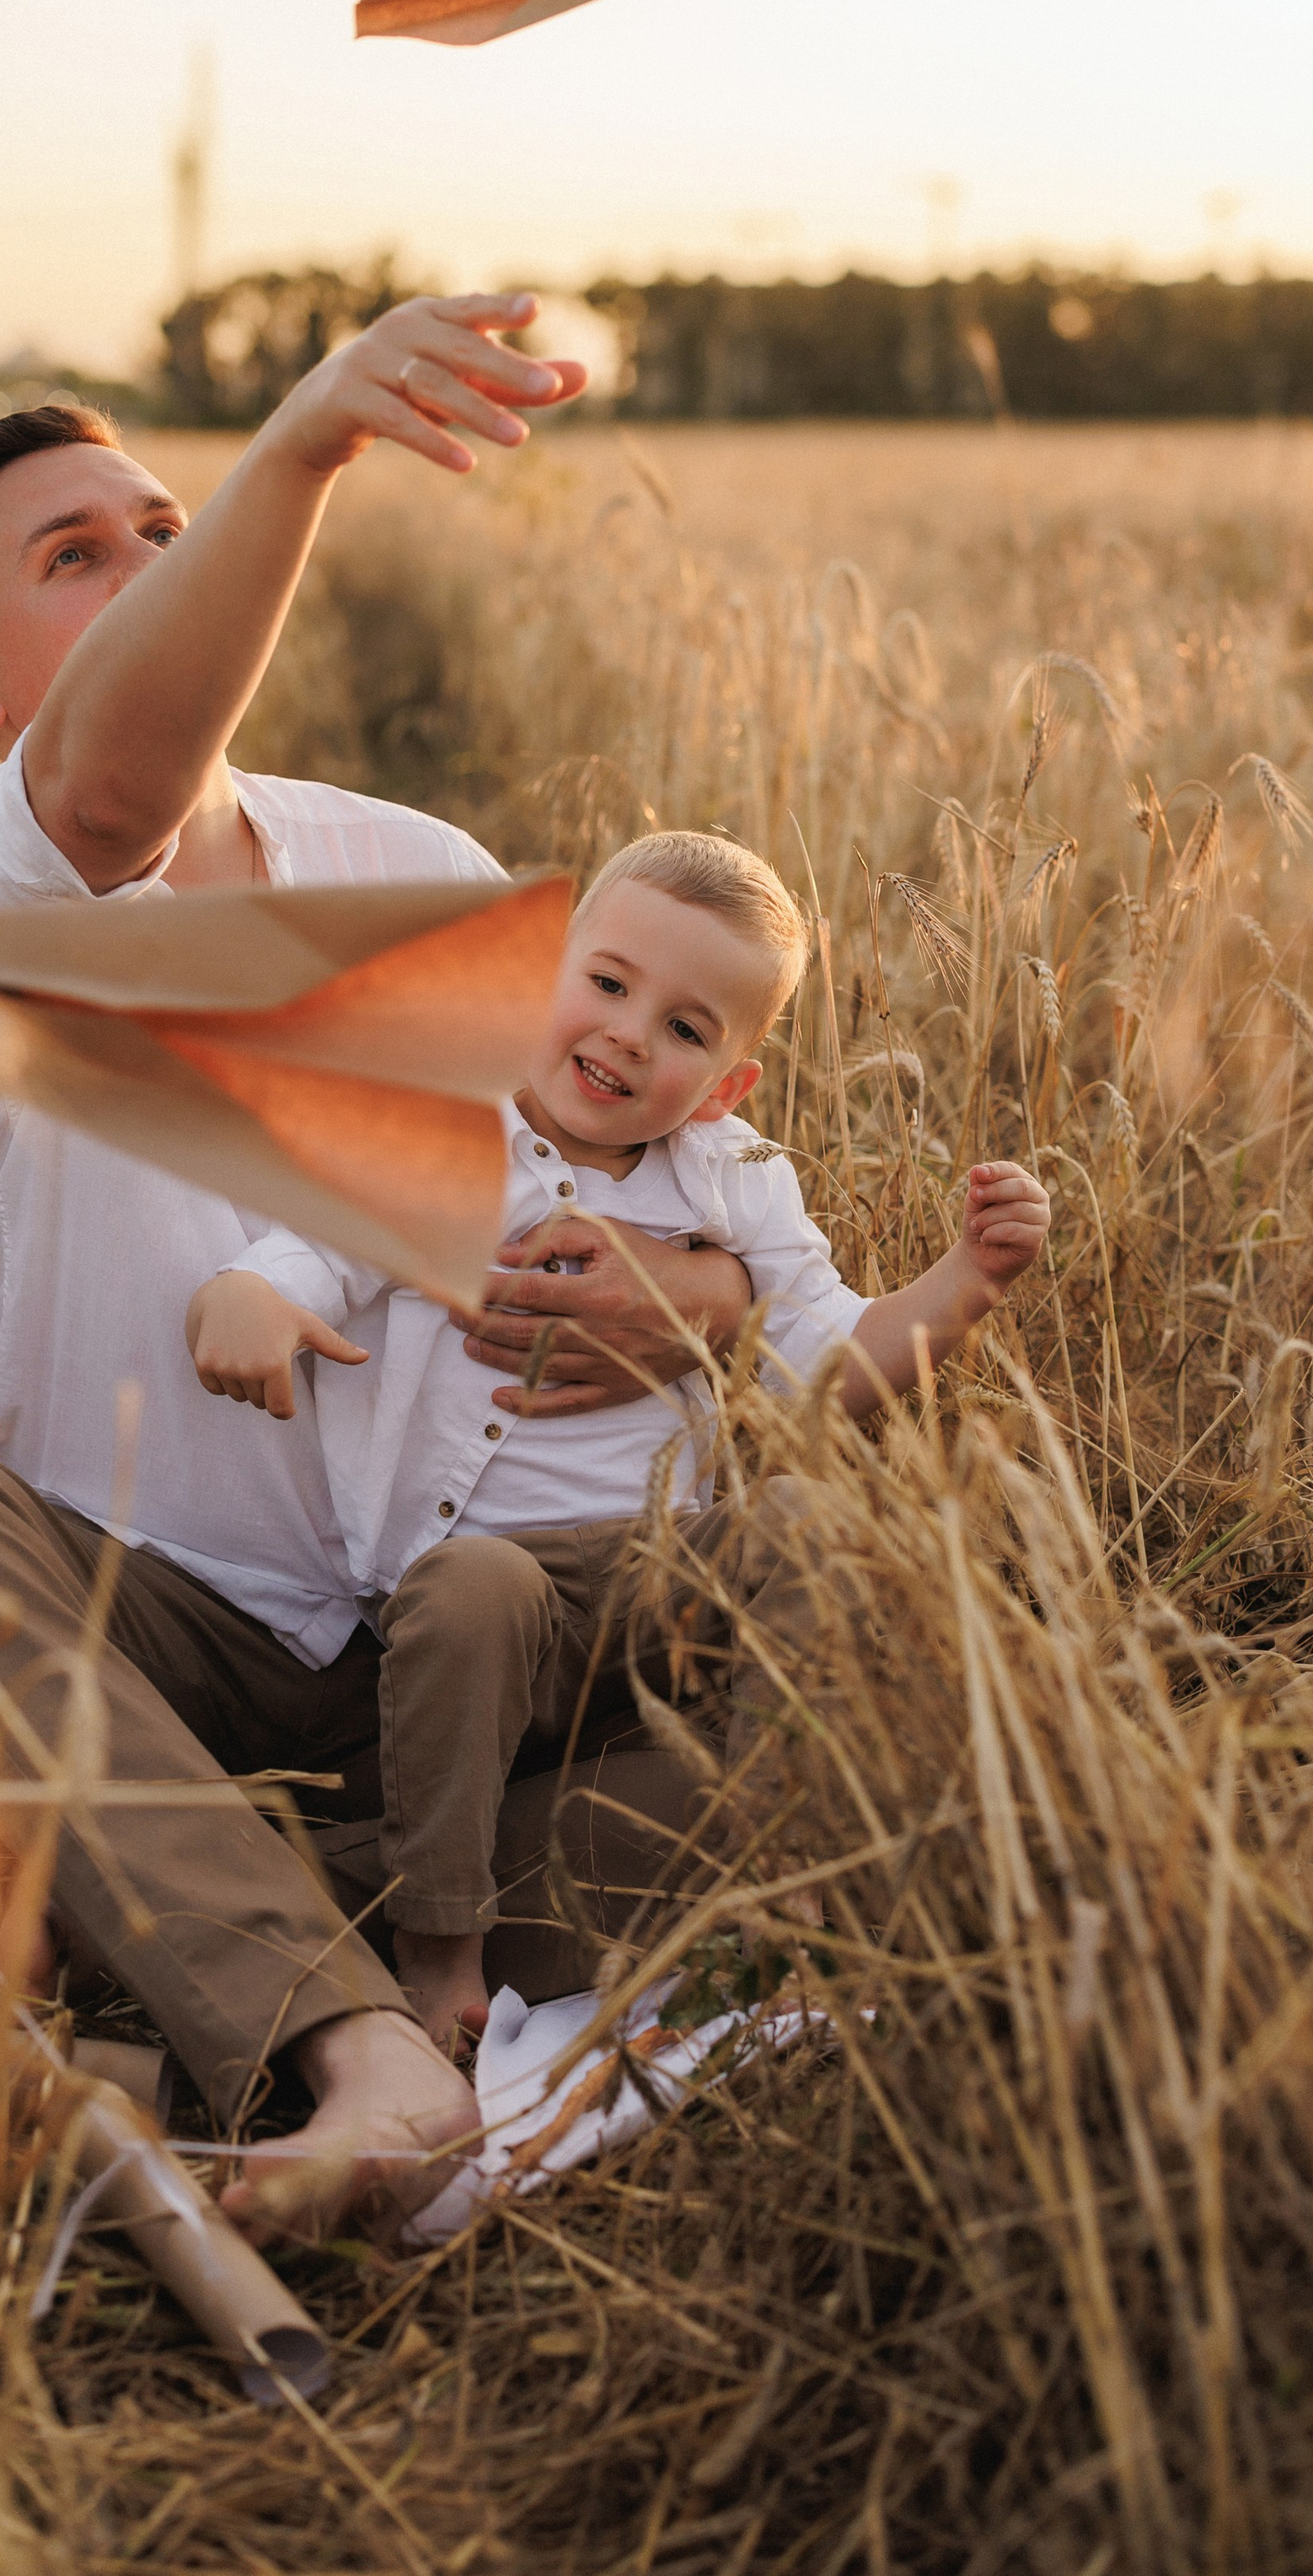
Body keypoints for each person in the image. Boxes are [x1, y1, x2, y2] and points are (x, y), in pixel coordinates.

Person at [0, 297, 754, 2240]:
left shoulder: (403, 857)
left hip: (462, 1637)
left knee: (841, 1629)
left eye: (168, 530)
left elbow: (624, 1157)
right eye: (73, 555)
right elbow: (106, 793)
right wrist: (304, 447)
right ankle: (363, 2045)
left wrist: (708, 1299)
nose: (149, 563)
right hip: (147, 1635)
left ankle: (189, 1900)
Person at [185, 829, 1053, 2052]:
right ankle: (442, 1950)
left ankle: (785, 1885)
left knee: (809, 1521)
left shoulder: (736, 1179)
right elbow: (319, 1246)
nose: (633, 1034)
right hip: (490, 1607)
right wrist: (253, 1296)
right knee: (473, 1590)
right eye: (606, 984)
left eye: (690, 1029)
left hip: (658, 1575)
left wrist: (968, 1279)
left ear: (730, 1084)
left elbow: (832, 1363)